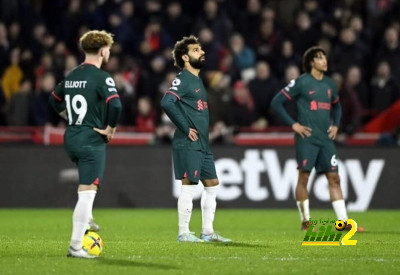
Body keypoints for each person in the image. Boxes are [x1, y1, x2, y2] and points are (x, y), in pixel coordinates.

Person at [270, 46, 364, 232]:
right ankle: (306, 221)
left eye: (325, 58)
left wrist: (336, 125)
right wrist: (293, 125)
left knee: (334, 178)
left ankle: (343, 222)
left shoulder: (329, 84)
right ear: (311, 62)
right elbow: (276, 102)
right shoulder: (301, 82)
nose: (324, 61)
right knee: (304, 177)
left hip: (326, 139)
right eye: (320, 58)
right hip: (307, 138)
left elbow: (337, 107)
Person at [49, 30, 122, 258]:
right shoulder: (101, 77)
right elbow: (116, 105)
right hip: (91, 139)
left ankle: (87, 216)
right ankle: (75, 246)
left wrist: (68, 116)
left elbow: (53, 99)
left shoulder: (72, 74)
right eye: (108, 49)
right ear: (103, 50)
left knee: (87, 189)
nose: (109, 52)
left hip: (71, 138)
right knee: (87, 192)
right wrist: (110, 128)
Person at [160, 35, 231, 243]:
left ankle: (207, 232)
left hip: (202, 143)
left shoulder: (197, 80)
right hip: (188, 142)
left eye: (201, 49)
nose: (202, 52)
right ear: (185, 57)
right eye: (196, 50)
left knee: (212, 185)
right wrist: (185, 127)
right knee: (189, 186)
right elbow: (167, 102)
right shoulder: (182, 79)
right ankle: (183, 232)